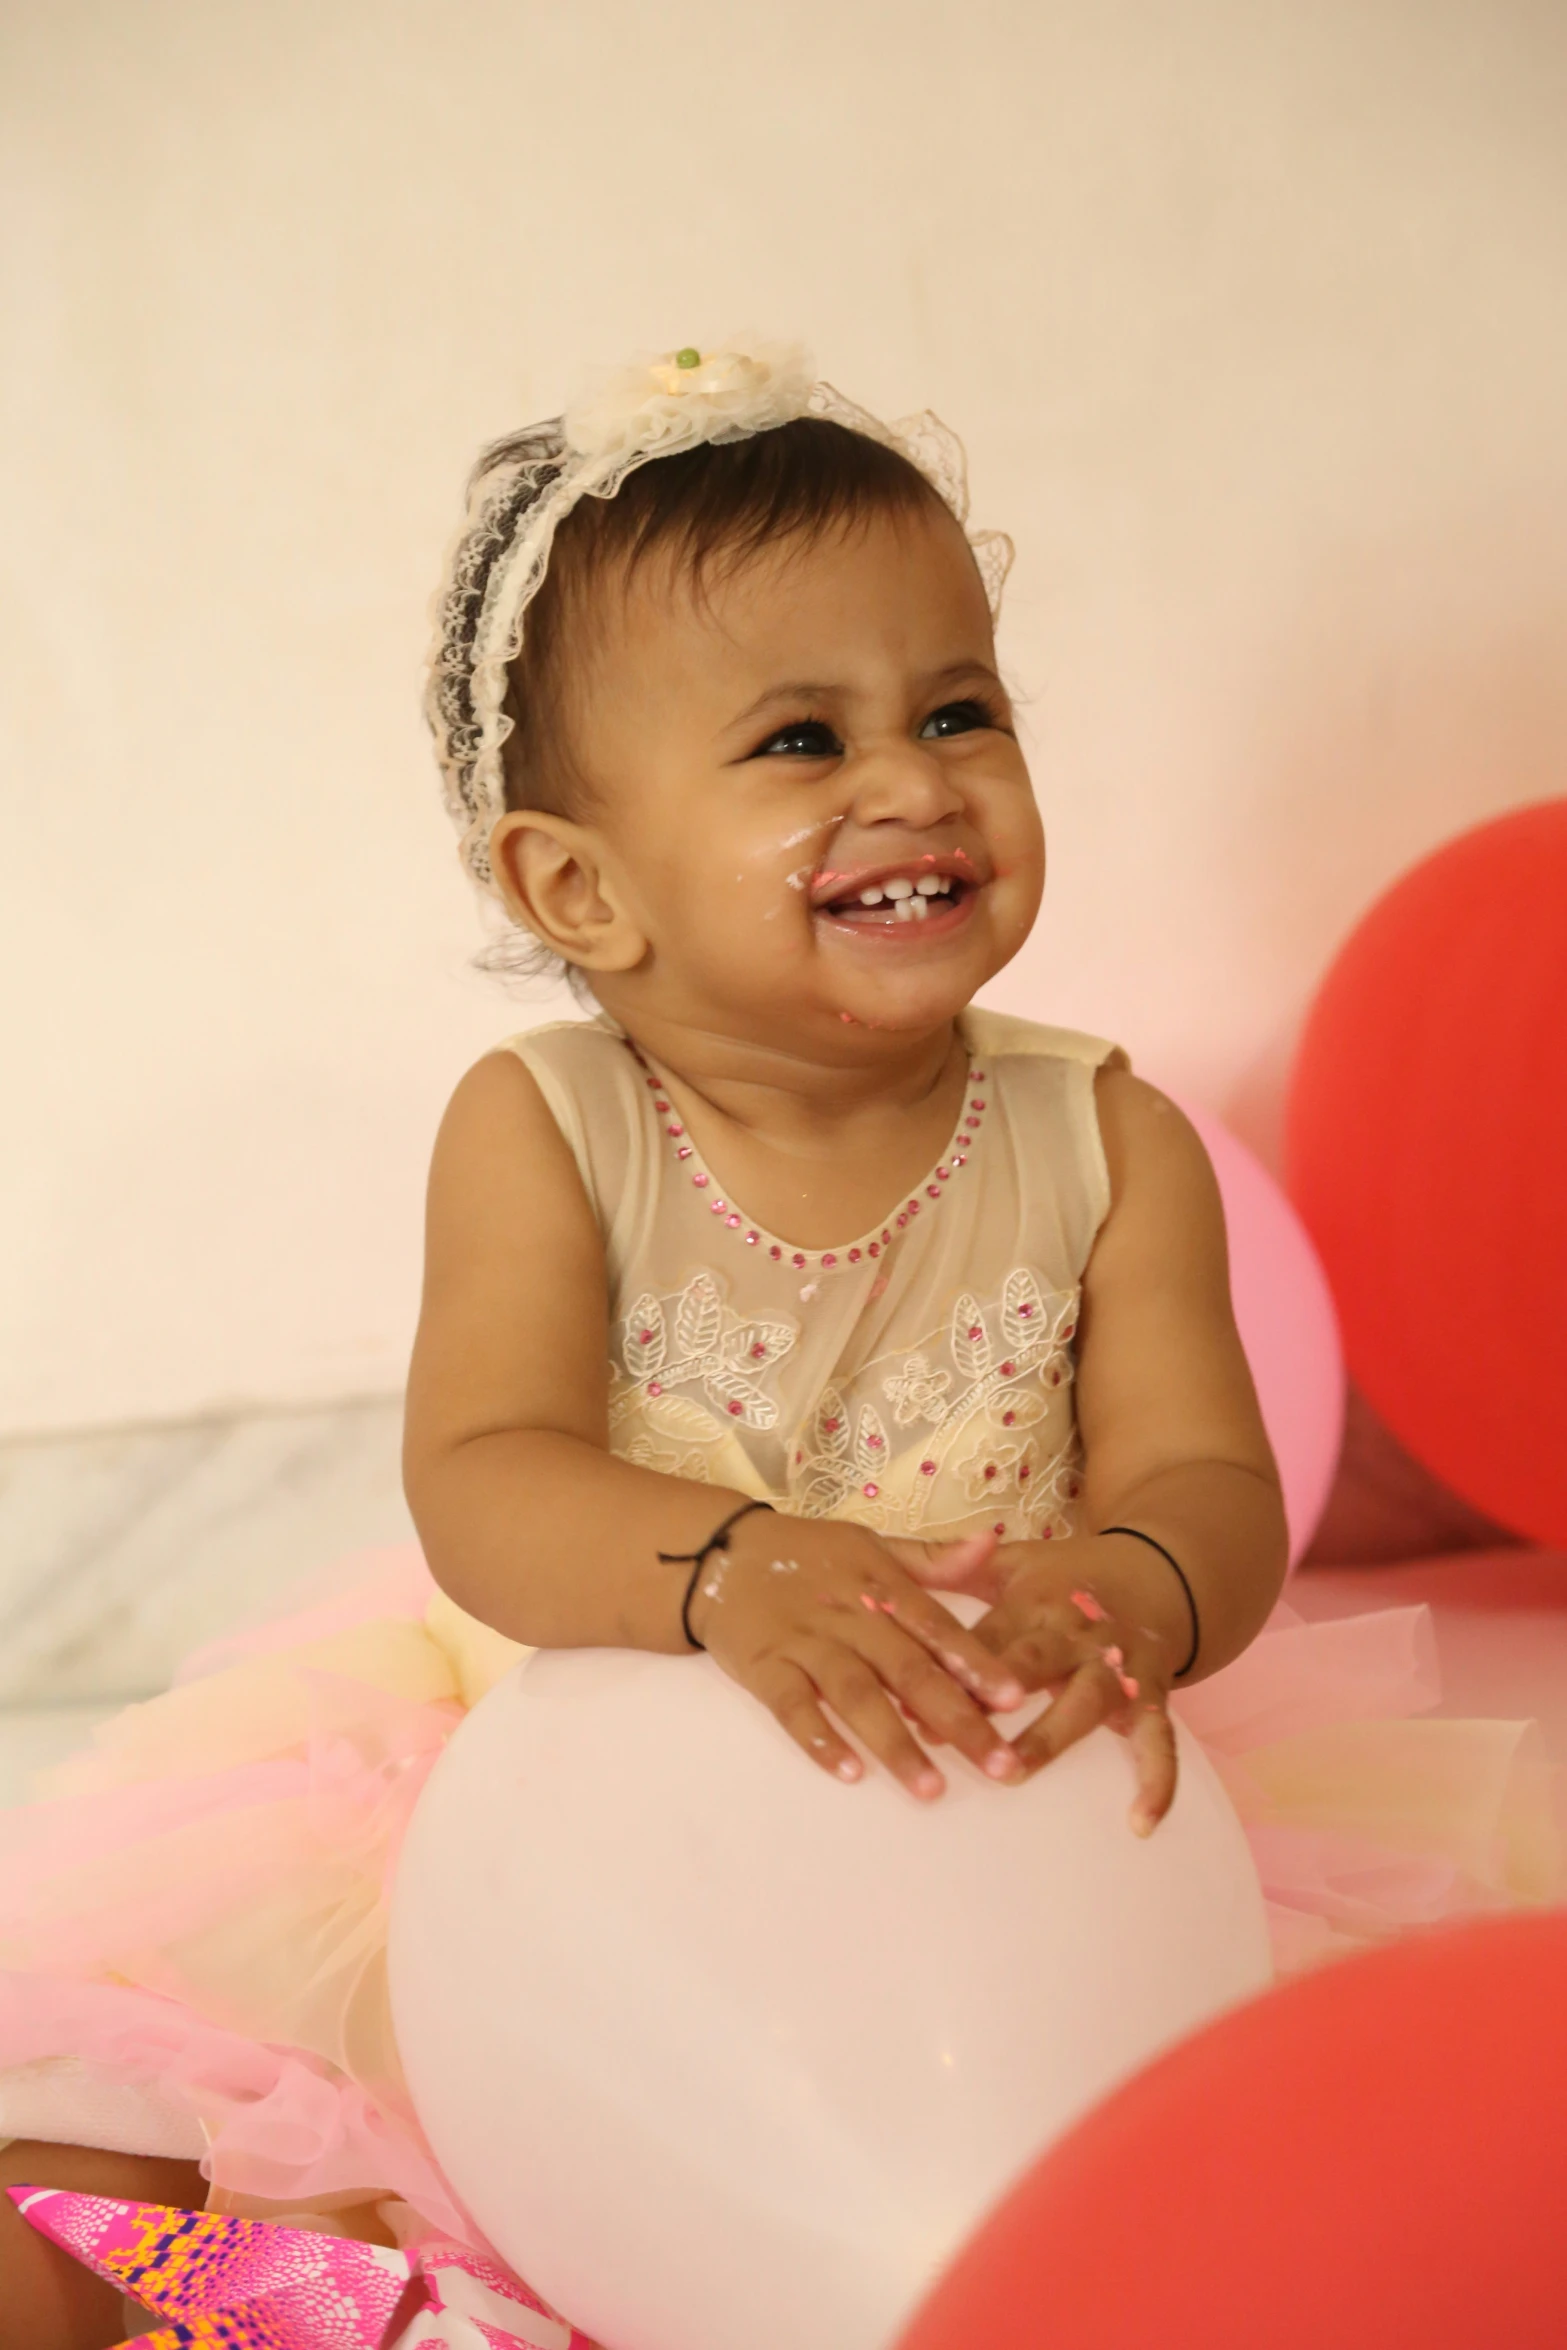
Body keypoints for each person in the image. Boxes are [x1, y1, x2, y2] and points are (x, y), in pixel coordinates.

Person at [0, 341, 1551, 2349]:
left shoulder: (1111, 1139)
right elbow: (486, 1473)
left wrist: (1136, 1582)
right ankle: (334, 2295)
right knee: (125, 2141)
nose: (913, 776)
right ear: (583, 884)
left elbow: (1215, 1483)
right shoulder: (546, 1124)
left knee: (1322, 2172)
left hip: (998, 1819)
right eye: (801, 741)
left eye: (958, 706)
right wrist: (722, 1562)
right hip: (547, 1805)